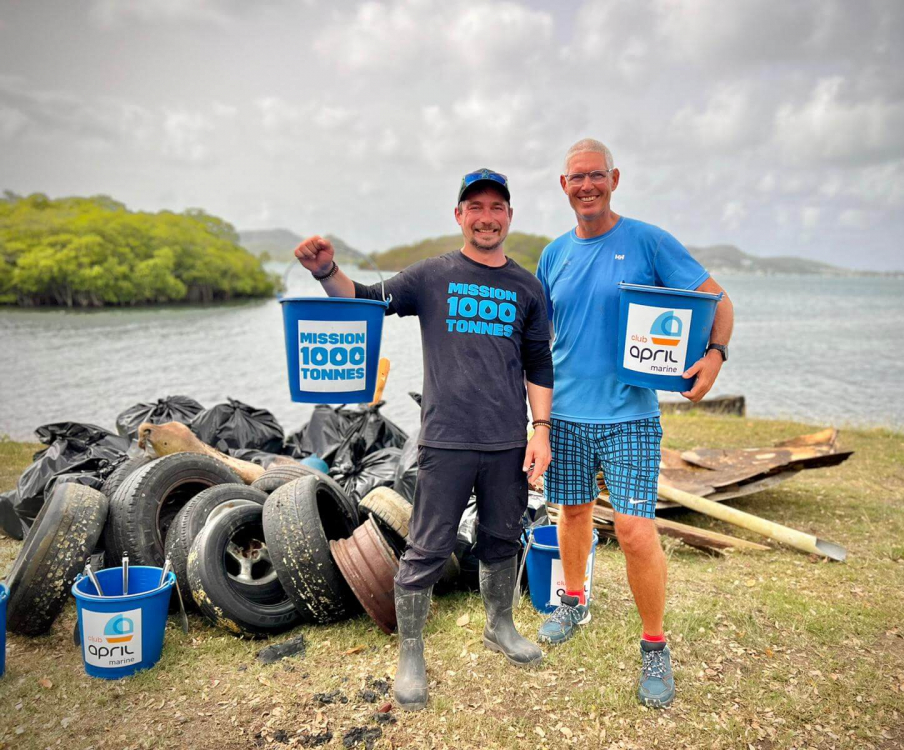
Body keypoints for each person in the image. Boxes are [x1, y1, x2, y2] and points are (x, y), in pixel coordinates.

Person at [293, 168, 553, 712]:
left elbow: (538, 365)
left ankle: (499, 625)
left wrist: (541, 432)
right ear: (459, 215)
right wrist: (327, 272)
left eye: (496, 207)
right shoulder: (434, 275)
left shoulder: (528, 287)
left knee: (503, 538)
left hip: (507, 440)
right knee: (427, 548)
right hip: (446, 441)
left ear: (509, 216)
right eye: (475, 207)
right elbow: (364, 299)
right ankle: (411, 654)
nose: (486, 217)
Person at [535, 139, 734, 708]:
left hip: (631, 418)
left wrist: (714, 356)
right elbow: (538, 338)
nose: (587, 186)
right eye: (577, 177)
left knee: (634, 531)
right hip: (566, 414)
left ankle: (654, 644)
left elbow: (719, 302)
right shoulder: (554, 255)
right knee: (571, 514)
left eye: (596, 175)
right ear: (564, 185)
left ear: (615, 179)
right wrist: (535, 417)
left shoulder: (648, 241)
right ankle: (574, 600)